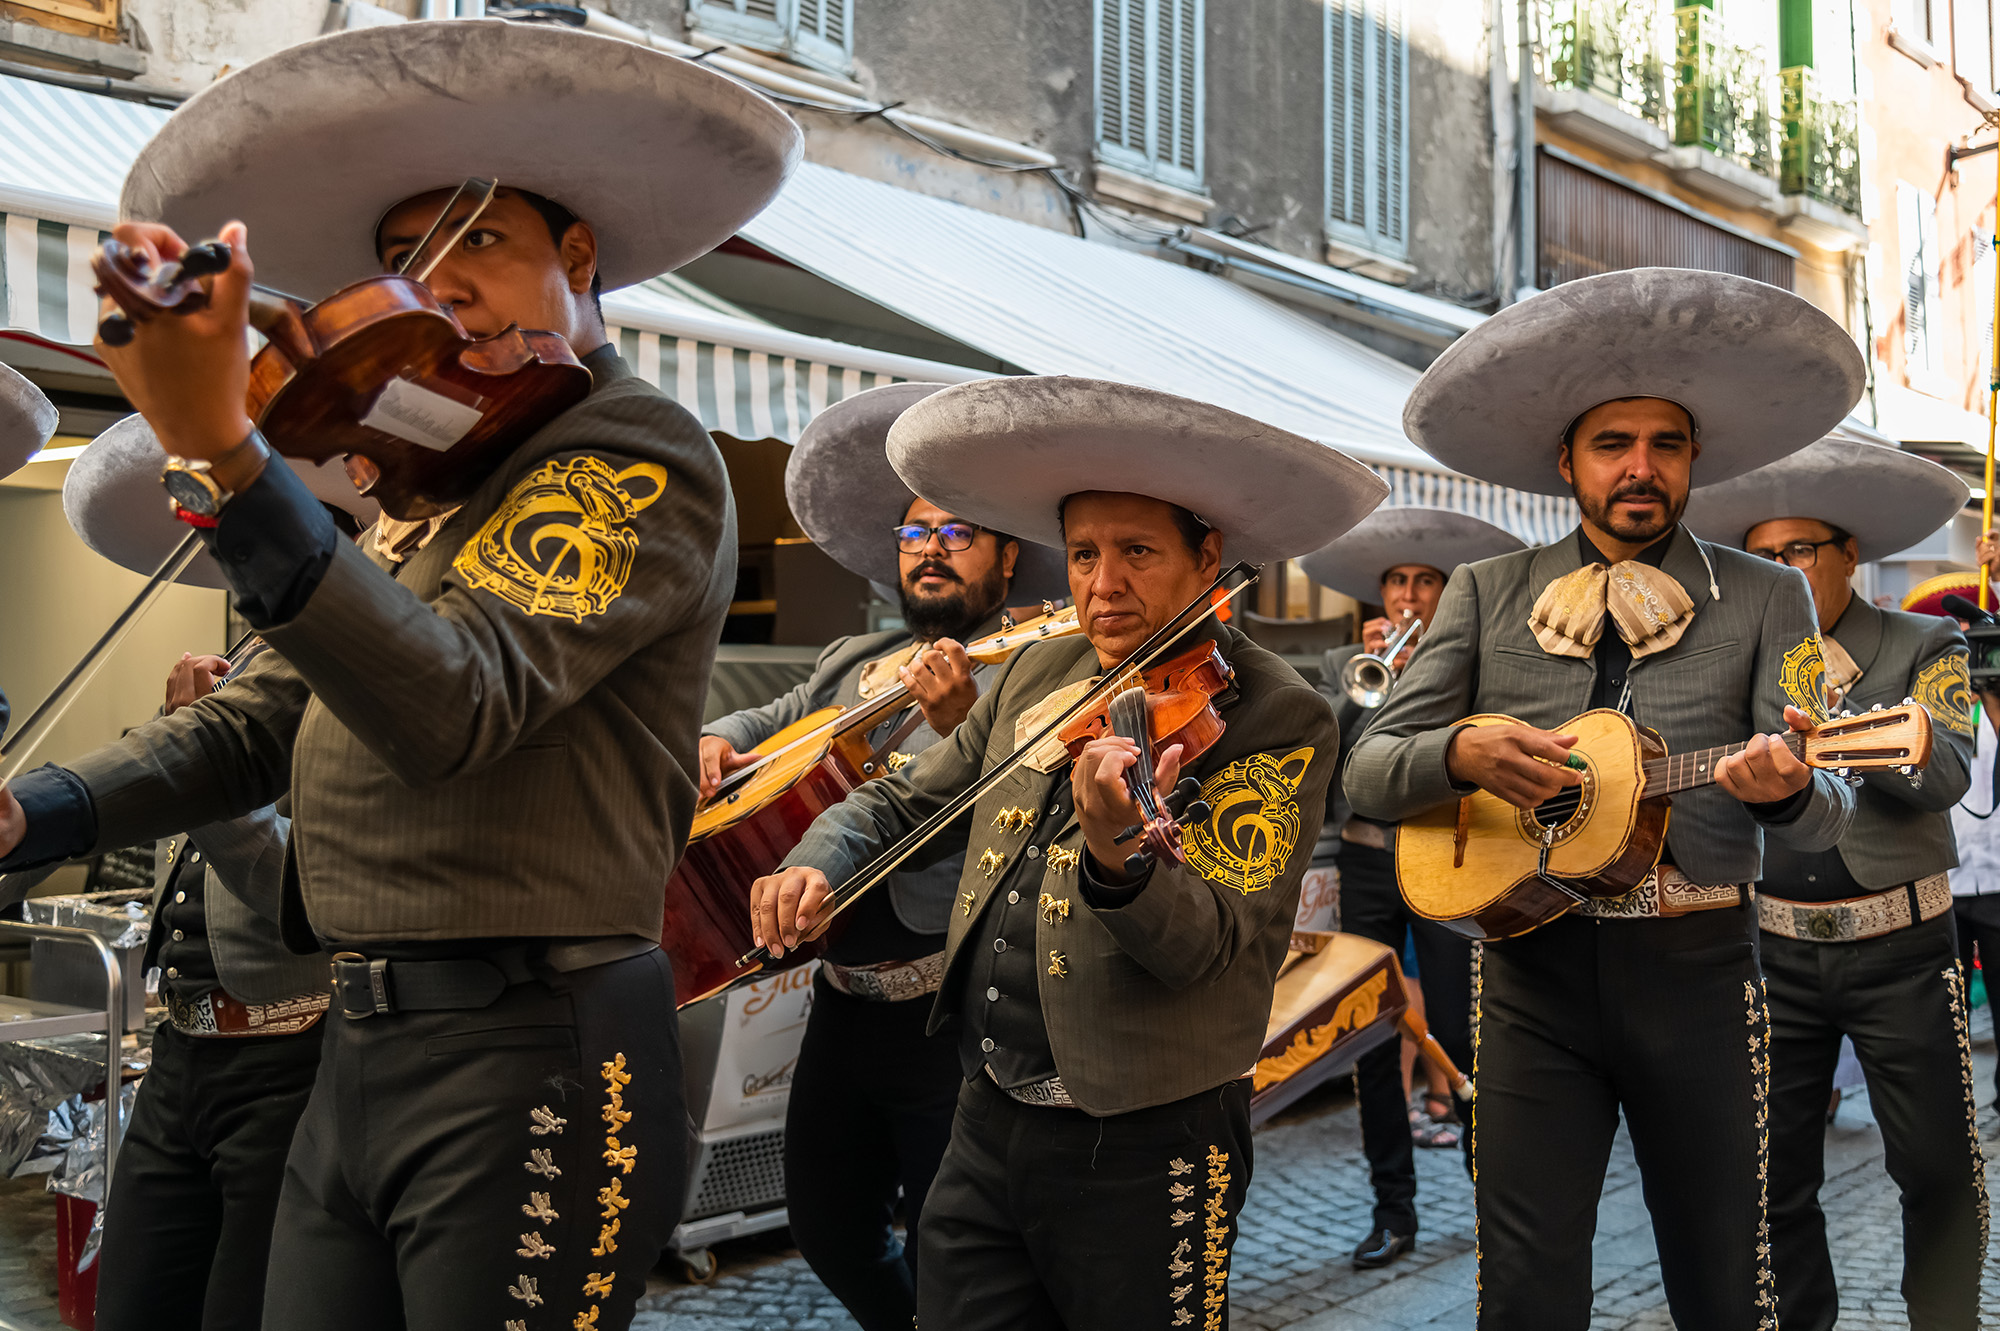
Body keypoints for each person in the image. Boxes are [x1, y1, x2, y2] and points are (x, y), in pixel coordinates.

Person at [0, 19, 797, 1331]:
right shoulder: (431, 494)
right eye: (403, 258)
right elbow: (250, 725)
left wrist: (236, 462)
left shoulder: (632, 446)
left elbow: (457, 700)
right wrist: (35, 812)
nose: (437, 285)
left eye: (477, 239)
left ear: (576, 258)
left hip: (536, 1035)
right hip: (362, 1034)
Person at [749, 375, 1387, 1328]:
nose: (1103, 583)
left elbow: (1208, 946)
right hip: (986, 1104)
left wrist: (1121, 855)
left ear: (1208, 556)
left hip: (1148, 1133)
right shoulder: (1035, 669)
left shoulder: (1275, 713)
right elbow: (902, 796)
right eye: (1085, 553)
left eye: (1137, 551)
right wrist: (818, 859)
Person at [1346, 267, 1866, 1329]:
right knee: (1524, 1290)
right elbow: (1366, 767)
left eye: (1665, 444)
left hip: (1699, 970)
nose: (1640, 466)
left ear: (1692, 459)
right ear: (1566, 461)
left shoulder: (1767, 593)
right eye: (1611, 444)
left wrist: (1784, 794)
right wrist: (1461, 749)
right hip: (1527, 975)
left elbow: (1831, 806)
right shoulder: (1486, 591)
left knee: (1726, 1281)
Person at [697, 382, 1064, 1331]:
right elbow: (773, 717)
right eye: (915, 533)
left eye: (957, 532)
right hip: (840, 1004)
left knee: (957, 1250)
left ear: (1006, 558)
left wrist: (967, 728)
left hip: (948, 1014)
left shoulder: (1027, 668)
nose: (930, 547)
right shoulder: (853, 655)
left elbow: (1026, 830)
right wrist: (717, 738)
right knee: (828, 1228)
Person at [57, 414, 375, 1331]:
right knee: (133, 1303)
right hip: (182, 1049)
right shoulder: (236, 672)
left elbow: (308, 895)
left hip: (293, 1052)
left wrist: (202, 777)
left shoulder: (363, 688)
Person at [1684, 436, 1984, 1329]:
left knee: (1937, 1169)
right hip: (1771, 950)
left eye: (1800, 550)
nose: (1780, 569)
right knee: (1771, 1178)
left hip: (1904, 948)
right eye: (1763, 555)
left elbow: (1948, 771)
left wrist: (1844, 732)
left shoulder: (1927, 640)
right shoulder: (1738, 653)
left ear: (1850, 554)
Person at [1297, 506, 1523, 1267]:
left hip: (1444, 858)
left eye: (1426, 582)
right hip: (1366, 861)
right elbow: (1321, 756)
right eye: (1398, 580)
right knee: (1370, 1031)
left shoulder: (1470, 660)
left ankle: (1492, 1201)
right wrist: (1365, 681)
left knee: (1460, 1032)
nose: (1409, 595)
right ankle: (1392, 1209)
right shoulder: (1344, 663)